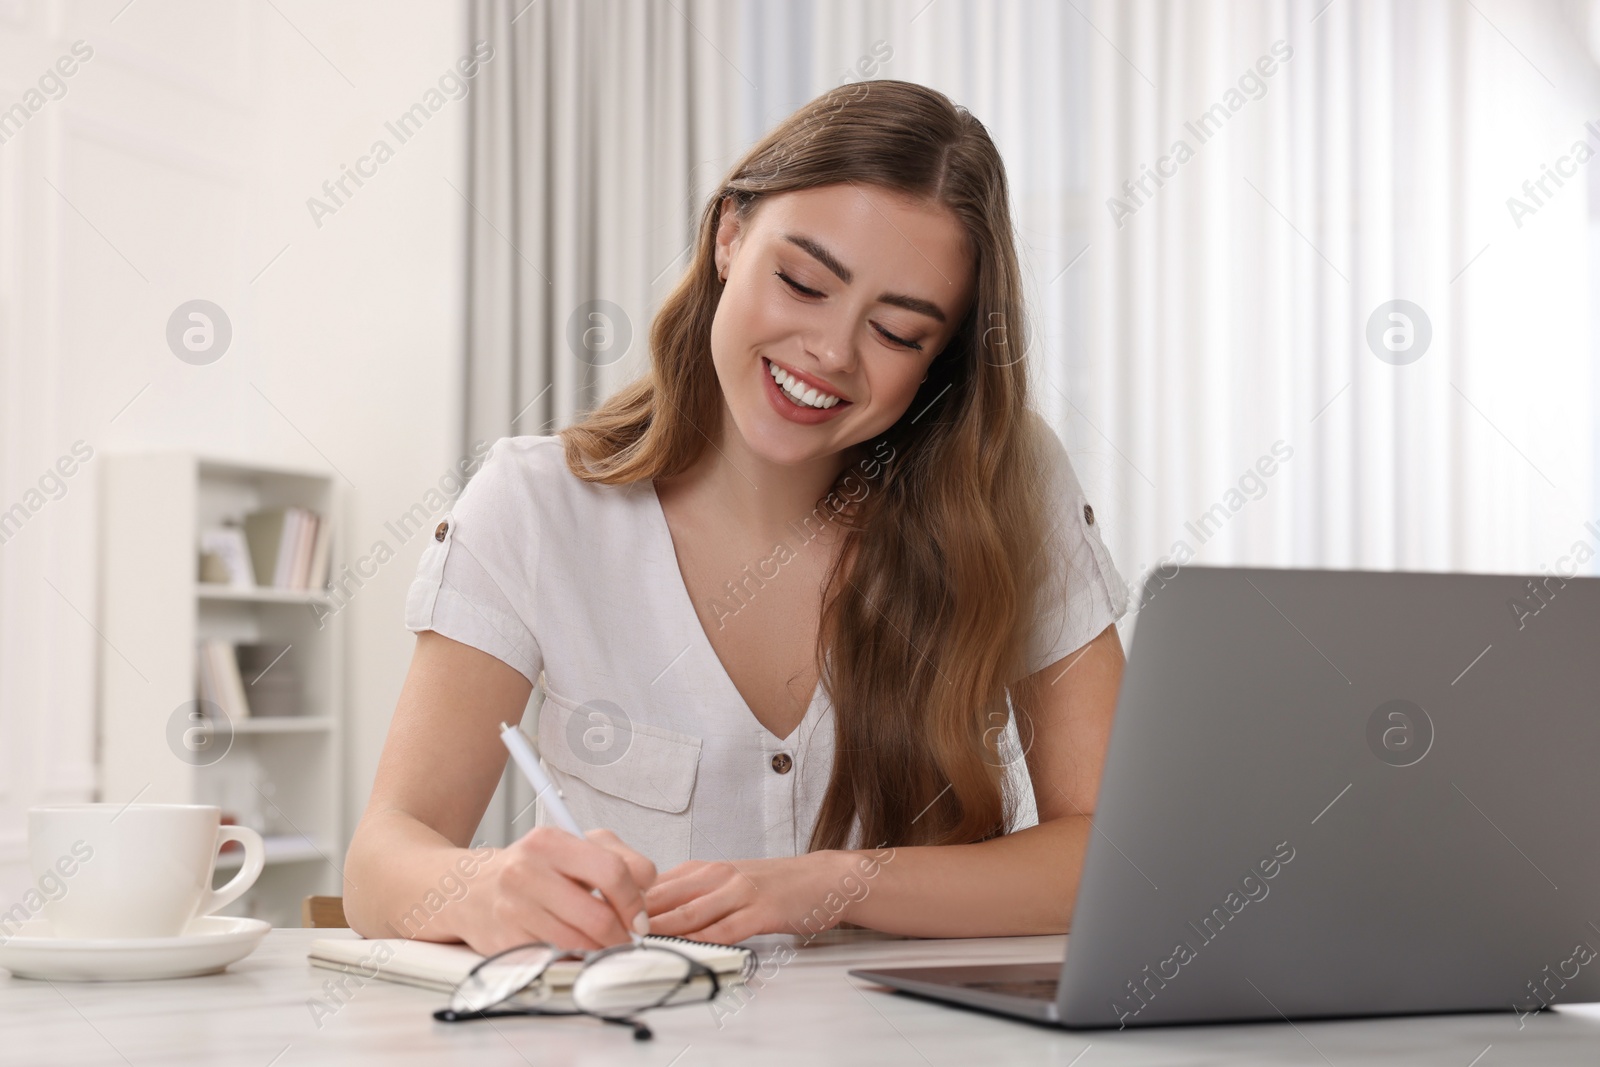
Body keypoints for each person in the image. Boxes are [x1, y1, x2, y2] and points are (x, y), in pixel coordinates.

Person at [344, 79, 1129, 957]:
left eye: (899, 333)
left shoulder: (1007, 485)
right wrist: (483, 887)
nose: (830, 352)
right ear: (728, 236)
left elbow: (1110, 849)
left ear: (938, 361)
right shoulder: (537, 507)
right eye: (802, 282)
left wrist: (831, 885)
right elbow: (382, 859)